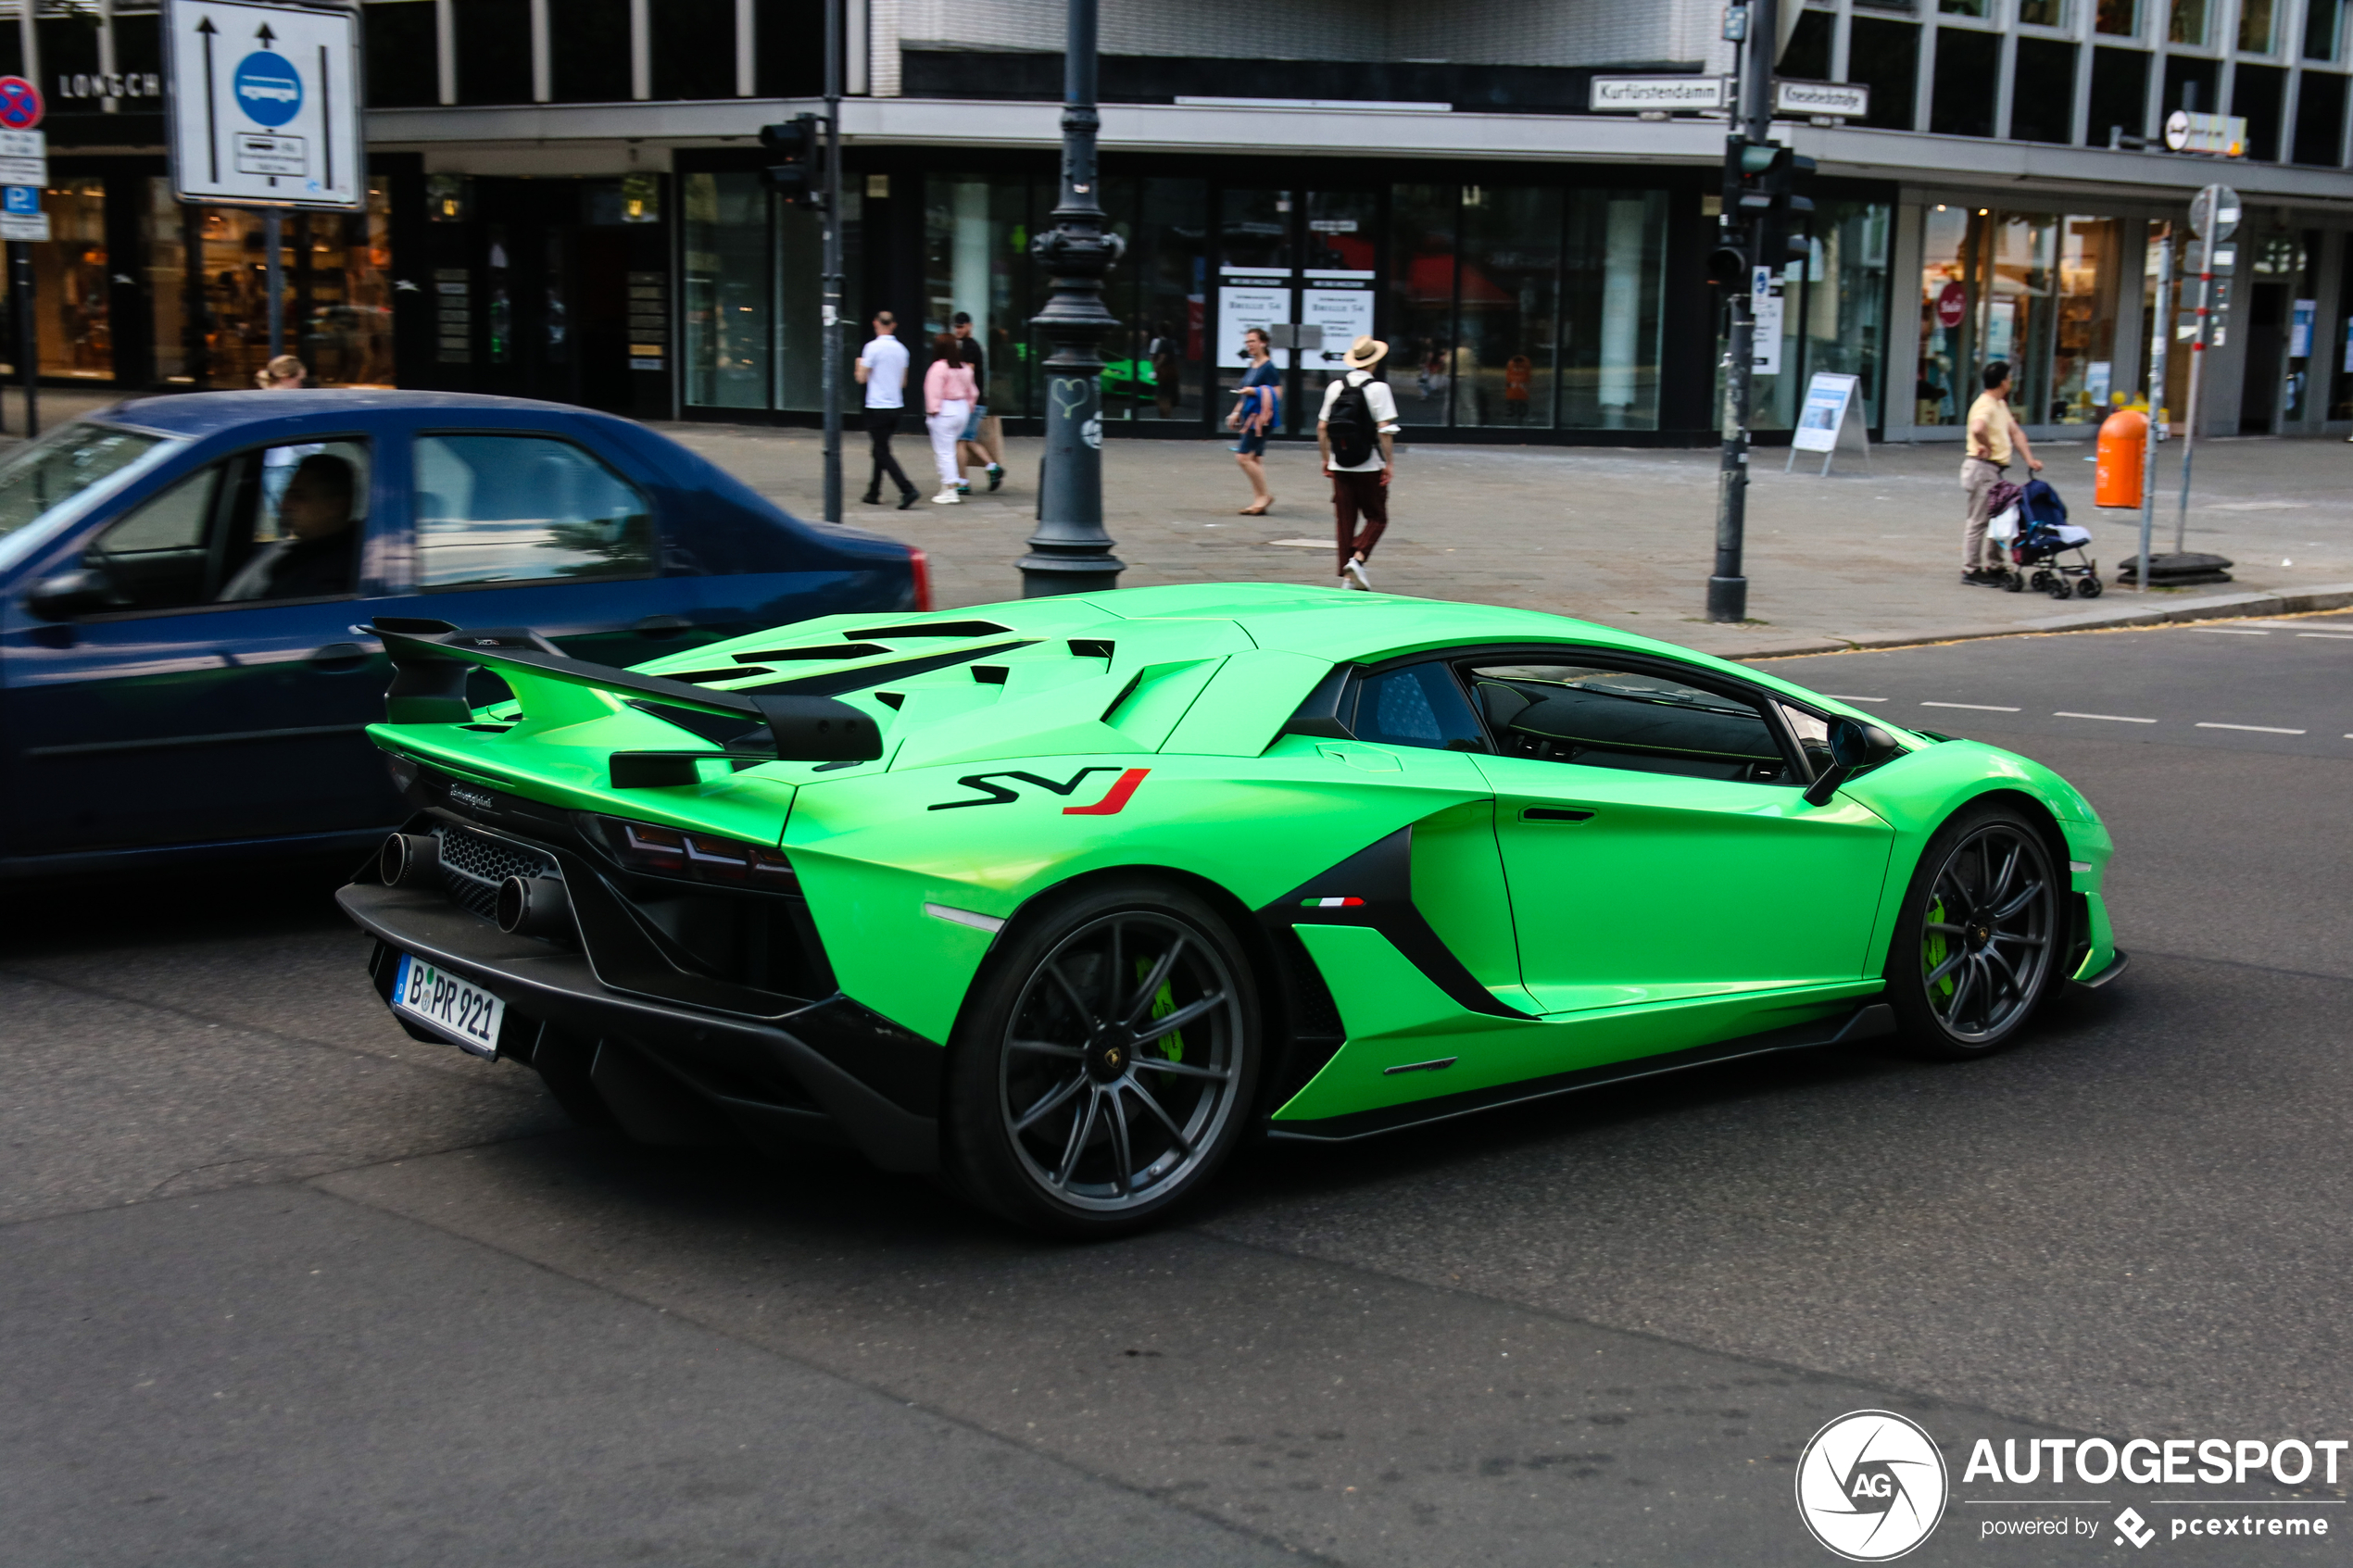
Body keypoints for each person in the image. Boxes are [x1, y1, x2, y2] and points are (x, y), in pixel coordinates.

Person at [1317, 334, 1401, 592]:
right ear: (1374, 361)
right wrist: (1389, 463)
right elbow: (1385, 431)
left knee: (1345, 519)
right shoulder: (1379, 389)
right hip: (1369, 464)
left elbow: (1322, 427)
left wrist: (1326, 459)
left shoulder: (1335, 387)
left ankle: (1346, 576)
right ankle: (1358, 557)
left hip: (1340, 463)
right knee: (1377, 517)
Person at [219, 453, 359, 601]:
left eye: (298, 497)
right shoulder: (299, 552)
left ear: (336, 506)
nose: (284, 505)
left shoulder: (331, 576)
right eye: (287, 495)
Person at [1961, 359, 2042, 585]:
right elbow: (1978, 428)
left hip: (1992, 470)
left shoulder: (2000, 405)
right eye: (2009, 378)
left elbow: (2016, 433)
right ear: (2003, 382)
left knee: (1999, 515)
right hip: (1982, 468)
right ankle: (1971, 569)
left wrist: (2030, 459)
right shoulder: (1985, 404)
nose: (2011, 382)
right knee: (1979, 521)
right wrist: (1985, 444)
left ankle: (1995, 564)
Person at [855, 311, 919, 509]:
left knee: (881, 451)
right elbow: (903, 382)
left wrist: (858, 365)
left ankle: (907, 489)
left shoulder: (872, 348)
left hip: (876, 406)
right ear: (893, 325)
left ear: (876, 323)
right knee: (880, 448)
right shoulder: (902, 350)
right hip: (895, 406)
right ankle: (873, 491)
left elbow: (861, 378)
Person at [1226, 327, 1278, 517]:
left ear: (1263, 343)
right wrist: (1235, 413)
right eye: (1247, 342)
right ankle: (1259, 500)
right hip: (1250, 416)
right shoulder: (1253, 366)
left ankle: (1264, 496)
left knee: (1242, 457)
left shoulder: (1268, 367)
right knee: (1255, 458)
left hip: (1261, 419)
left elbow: (1277, 394)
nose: (1249, 346)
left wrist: (1254, 391)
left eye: (1253, 341)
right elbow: (1243, 394)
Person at [950, 313, 1003, 494]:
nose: (958, 330)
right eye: (956, 326)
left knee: (961, 441)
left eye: (961, 326)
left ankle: (963, 482)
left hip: (971, 401)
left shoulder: (970, 347)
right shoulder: (969, 346)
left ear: (969, 326)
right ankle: (992, 468)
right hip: (974, 401)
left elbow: (967, 373)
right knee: (967, 440)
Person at [923, 332, 978, 506]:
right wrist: (969, 407)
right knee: (950, 449)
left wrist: (933, 410)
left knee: (944, 452)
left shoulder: (938, 368)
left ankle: (950, 488)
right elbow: (973, 392)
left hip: (945, 410)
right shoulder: (964, 368)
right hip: (961, 409)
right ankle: (948, 486)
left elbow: (933, 391)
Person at [1149, 320, 1180, 420]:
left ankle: (1165, 416)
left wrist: (1155, 368)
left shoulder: (1163, 343)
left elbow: (1162, 357)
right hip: (1171, 372)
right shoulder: (1172, 342)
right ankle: (1166, 415)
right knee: (1166, 395)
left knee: (1162, 396)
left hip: (1164, 373)